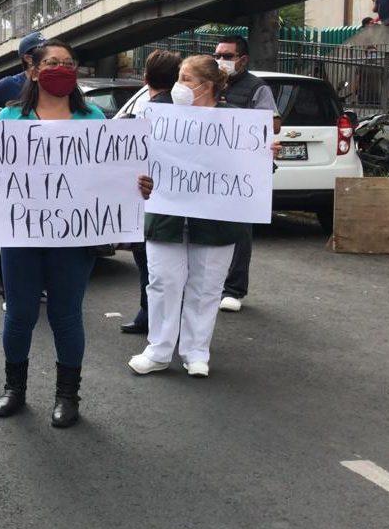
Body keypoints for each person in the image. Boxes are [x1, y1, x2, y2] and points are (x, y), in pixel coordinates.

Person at [0, 39, 153, 428]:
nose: (62, 68)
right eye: (53, 62)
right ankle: (14, 389)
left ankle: (68, 395)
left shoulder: (94, 121)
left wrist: (136, 187)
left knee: (65, 315)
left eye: (69, 63)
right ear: (34, 70)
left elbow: (115, 178)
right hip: (22, 235)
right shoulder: (8, 119)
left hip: (74, 239)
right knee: (19, 315)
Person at [128, 55, 277, 379]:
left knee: (206, 286)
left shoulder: (237, 123)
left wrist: (265, 155)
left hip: (215, 221)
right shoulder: (160, 117)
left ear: (207, 86)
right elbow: (138, 160)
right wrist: (140, 179)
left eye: (186, 79)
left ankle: (196, 351)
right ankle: (158, 350)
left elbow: (253, 173)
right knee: (162, 282)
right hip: (166, 217)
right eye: (179, 78)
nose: (179, 86)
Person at [213, 36, 280, 314]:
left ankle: (234, 289)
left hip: (243, 170)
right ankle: (212, 285)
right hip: (213, 168)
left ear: (242, 59)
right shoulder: (209, 83)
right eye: (217, 54)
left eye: (227, 56)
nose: (221, 60)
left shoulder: (257, 88)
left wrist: (235, 117)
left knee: (240, 230)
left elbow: (273, 122)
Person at [120, 50, 184, 336]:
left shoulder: (142, 115)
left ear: (145, 78)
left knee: (150, 265)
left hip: (150, 201)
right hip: (183, 201)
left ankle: (150, 315)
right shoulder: (192, 113)